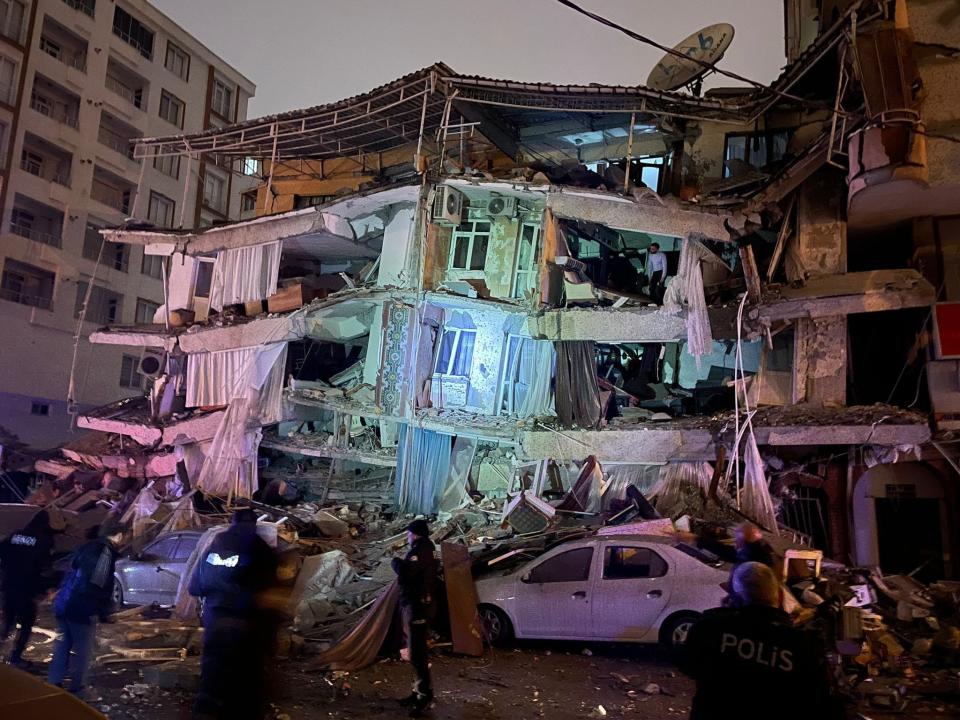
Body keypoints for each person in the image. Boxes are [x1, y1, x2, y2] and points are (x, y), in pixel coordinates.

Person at [682, 562, 843, 720]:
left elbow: (689, 666)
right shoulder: (802, 647)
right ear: (779, 596)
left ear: (733, 597)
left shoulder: (709, 628)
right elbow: (824, 705)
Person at [189, 508, 277, 720]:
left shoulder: (215, 545)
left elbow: (195, 587)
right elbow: (271, 595)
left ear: (232, 521)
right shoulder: (262, 549)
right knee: (246, 691)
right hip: (247, 628)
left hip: (216, 623)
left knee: (210, 684)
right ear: (255, 524)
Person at [49, 525, 120, 694]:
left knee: (62, 645)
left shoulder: (86, 547)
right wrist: (103, 612)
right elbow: (97, 585)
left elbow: (70, 571)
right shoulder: (105, 553)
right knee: (83, 651)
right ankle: (77, 688)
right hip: (81, 607)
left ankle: (54, 683)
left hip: (64, 603)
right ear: (118, 535)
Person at [392, 519, 437, 717]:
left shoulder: (421, 551)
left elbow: (405, 573)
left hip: (418, 607)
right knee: (414, 652)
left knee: (418, 654)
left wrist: (395, 561)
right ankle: (417, 692)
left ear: (416, 534)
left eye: (409, 533)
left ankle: (424, 697)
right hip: (417, 604)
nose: (408, 537)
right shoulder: (424, 548)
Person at [0, 510, 54, 667]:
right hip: (27, 589)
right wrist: (46, 588)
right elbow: (45, 567)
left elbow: (2, 551)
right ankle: (16, 657)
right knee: (25, 625)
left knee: (7, 621)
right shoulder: (43, 541)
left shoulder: (16, 535)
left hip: (9, 585)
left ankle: (2, 645)